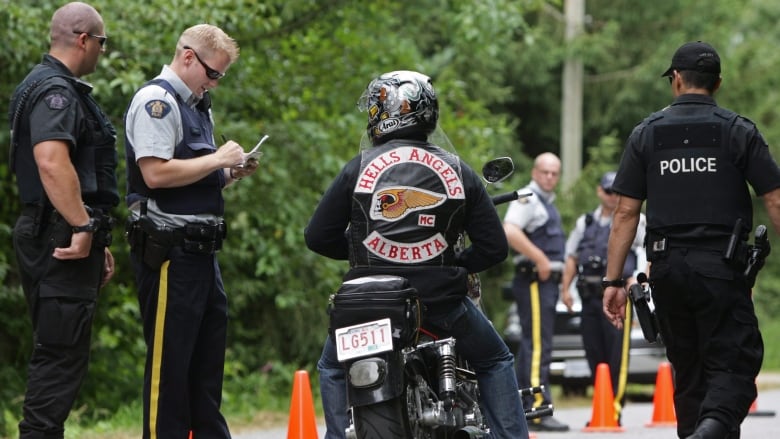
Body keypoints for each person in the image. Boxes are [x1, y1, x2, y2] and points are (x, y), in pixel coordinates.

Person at [305, 70, 529, 438]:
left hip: (368, 300)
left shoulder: (358, 169)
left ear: (385, 113)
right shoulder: (460, 171)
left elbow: (316, 236)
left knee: (332, 367)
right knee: (495, 361)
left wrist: (361, 255)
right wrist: (455, 266)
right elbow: (494, 248)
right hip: (440, 301)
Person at [603, 41, 780, 439]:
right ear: (717, 83)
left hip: (666, 272)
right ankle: (709, 431)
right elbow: (775, 199)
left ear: (677, 80)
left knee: (689, 373)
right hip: (721, 268)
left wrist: (613, 282)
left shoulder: (646, 134)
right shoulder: (739, 131)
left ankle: (697, 431)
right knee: (733, 364)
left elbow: (625, 214)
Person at [124, 24, 256, 438]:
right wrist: (218, 160)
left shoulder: (198, 105)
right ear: (187, 58)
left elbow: (194, 178)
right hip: (170, 255)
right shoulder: (156, 102)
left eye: (220, 76)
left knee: (205, 371)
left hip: (203, 254)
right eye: (212, 73)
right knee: (171, 371)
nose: (213, 82)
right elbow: (156, 174)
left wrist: (231, 172)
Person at [8, 3, 117, 438]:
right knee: (59, 356)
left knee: (60, 352)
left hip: (55, 231)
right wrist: (84, 226)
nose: (102, 53)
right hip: (60, 238)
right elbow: (52, 163)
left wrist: (95, 236)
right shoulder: (56, 92)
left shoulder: (37, 85)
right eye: (102, 43)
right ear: (84, 39)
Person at [560, 171, 647, 424]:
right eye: (609, 191)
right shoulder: (585, 222)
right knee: (594, 355)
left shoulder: (634, 220)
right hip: (589, 298)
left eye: (617, 192)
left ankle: (614, 411)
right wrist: (565, 289)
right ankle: (601, 407)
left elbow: (646, 252)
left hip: (618, 297)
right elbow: (572, 257)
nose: (613, 197)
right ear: (600, 192)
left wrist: (637, 280)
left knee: (616, 355)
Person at [502, 152, 569, 432]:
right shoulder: (528, 198)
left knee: (535, 344)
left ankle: (526, 407)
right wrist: (540, 259)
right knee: (538, 345)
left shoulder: (546, 202)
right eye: (545, 172)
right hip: (534, 281)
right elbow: (509, 231)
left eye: (555, 173)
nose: (550, 177)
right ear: (535, 171)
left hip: (546, 284)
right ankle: (537, 409)